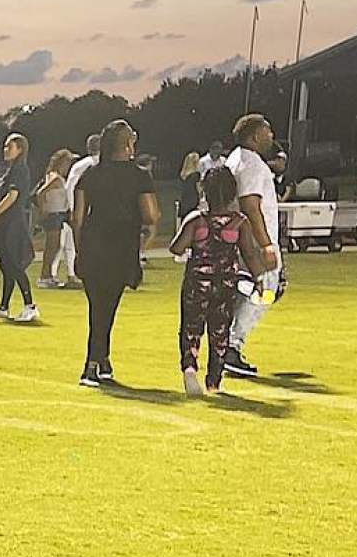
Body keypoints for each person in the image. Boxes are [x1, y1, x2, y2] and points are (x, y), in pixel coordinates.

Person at [71, 118, 157, 387]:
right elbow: (151, 215)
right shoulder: (140, 175)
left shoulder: (90, 174)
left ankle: (102, 358)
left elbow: (77, 218)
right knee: (106, 307)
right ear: (129, 144)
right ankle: (93, 363)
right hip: (121, 246)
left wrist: (79, 249)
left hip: (94, 244)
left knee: (99, 306)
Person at [172, 161, 269, 396]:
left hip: (197, 283)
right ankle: (214, 380)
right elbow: (250, 253)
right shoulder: (239, 223)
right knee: (220, 330)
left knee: (191, 327)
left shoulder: (197, 220)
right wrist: (259, 278)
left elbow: (177, 247)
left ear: (204, 190)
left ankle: (189, 368)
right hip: (225, 285)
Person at [222, 113, 283, 378]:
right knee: (265, 291)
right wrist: (266, 244)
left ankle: (224, 344)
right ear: (255, 135)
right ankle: (232, 347)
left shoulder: (235, 159)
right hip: (254, 241)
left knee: (243, 291)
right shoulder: (252, 164)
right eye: (267, 132)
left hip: (239, 239)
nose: (271, 137)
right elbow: (250, 205)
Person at [0, 131, 39, 323]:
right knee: (6, 266)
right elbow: (6, 194)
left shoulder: (20, 169)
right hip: (5, 224)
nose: (5, 150)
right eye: (5, 146)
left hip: (13, 224)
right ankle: (4, 307)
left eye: (10, 147)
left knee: (14, 265)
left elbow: (13, 197)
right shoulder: (12, 169)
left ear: (20, 149)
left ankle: (30, 306)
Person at [36, 147, 76, 289]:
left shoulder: (56, 176)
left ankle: (48, 275)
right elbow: (41, 193)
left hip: (58, 214)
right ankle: (44, 276)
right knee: (52, 246)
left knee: (55, 246)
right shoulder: (55, 178)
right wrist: (43, 210)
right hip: (54, 214)